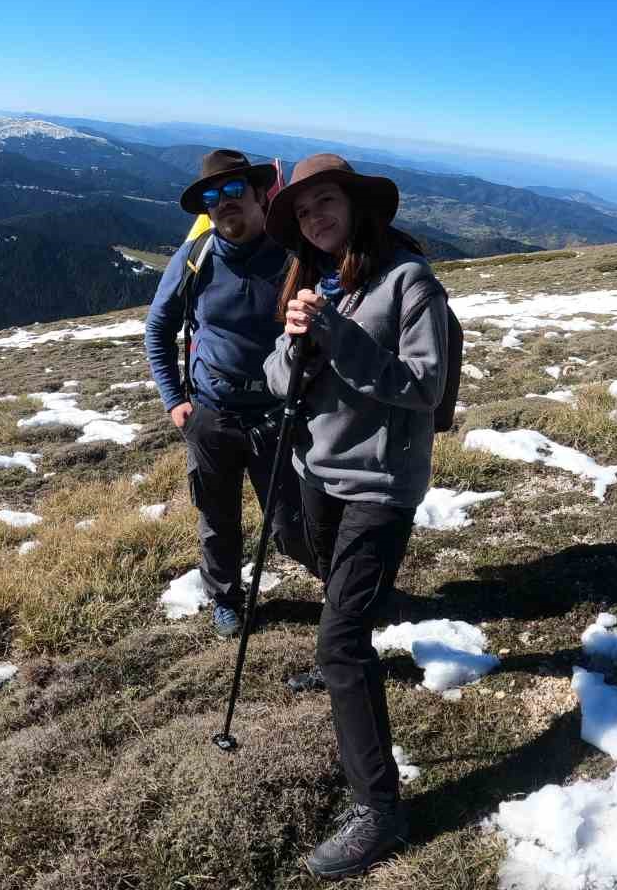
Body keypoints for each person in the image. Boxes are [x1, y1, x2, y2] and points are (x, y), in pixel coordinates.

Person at [262, 153, 448, 881]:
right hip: (319, 468)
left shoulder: (409, 282)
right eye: (304, 213)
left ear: (357, 206)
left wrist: (342, 338)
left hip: (379, 481)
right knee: (314, 557)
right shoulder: (314, 281)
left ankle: (381, 810)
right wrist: (297, 339)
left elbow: (424, 387)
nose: (315, 218)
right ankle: (354, 622)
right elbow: (281, 378)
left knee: (340, 644)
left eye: (326, 203)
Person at [144, 149, 314, 639]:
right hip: (211, 413)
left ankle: (338, 587)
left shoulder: (292, 256)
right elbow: (158, 328)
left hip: (276, 415)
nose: (223, 204)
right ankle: (226, 599)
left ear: (262, 195)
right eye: (213, 198)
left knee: (289, 522)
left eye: (235, 191)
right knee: (217, 520)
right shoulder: (195, 259)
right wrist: (175, 401)